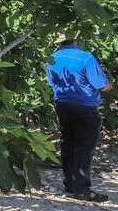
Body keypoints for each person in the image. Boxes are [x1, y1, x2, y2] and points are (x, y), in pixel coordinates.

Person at [46, 34, 113, 202]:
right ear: (76, 40)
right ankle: (82, 189)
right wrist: (110, 84)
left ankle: (70, 183)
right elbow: (103, 86)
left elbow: (51, 83)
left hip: (62, 105)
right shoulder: (85, 57)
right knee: (83, 147)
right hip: (85, 107)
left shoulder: (51, 58)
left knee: (68, 144)